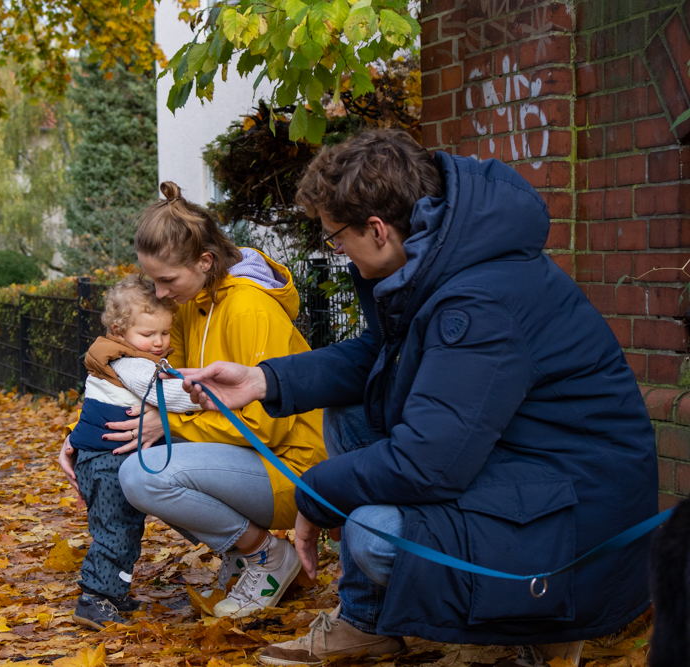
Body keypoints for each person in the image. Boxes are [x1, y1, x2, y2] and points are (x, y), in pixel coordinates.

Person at [179, 130, 658, 666]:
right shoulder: (445, 263)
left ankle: (542, 625)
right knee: (353, 414)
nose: (337, 251)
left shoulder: (476, 304)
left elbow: (427, 464)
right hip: (528, 471)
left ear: (378, 230)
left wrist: (314, 496)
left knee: (373, 533)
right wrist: (263, 381)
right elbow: (380, 356)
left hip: (578, 519)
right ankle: (367, 623)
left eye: (336, 237)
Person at [59, 182, 327, 619]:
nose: (160, 293)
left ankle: (266, 555)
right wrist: (84, 437)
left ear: (205, 261)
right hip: (242, 457)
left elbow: (266, 425)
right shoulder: (188, 306)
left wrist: (171, 426)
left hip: (291, 466)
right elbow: (155, 389)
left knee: (145, 475)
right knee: (130, 460)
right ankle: (251, 554)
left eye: (167, 280)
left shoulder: (249, 310)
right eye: (153, 281)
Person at [66, 275, 202, 630]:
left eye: (164, 333)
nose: (158, 342)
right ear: (119, 329)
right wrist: (205, 396)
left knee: (125, 529)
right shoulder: (131, 364)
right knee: (115, 532)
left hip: (104, 458)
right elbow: (166, 396)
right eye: (148, 334)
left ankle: (114, 594)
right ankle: (94, 599)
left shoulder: (121, 354)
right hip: (107, 463)